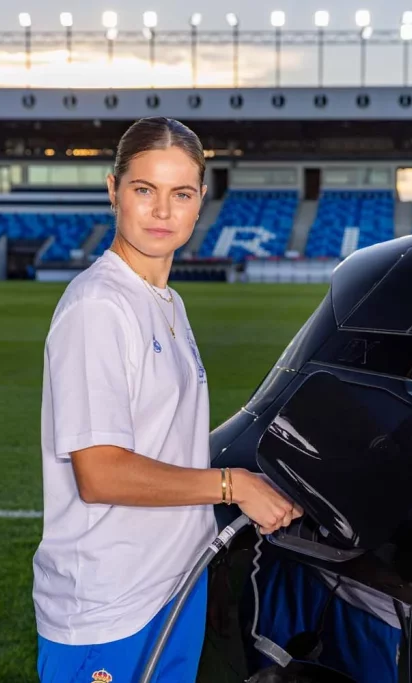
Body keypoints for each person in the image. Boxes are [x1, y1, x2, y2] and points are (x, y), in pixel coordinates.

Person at [33, 116, 302, 683]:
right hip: (108, 605)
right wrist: (234, 485)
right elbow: (100, 474)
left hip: (172, 585)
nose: (162, 211)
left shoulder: (166, 301)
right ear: (113, 190)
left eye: (180, 193)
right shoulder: (98, 308)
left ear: (200, 200)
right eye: (143, 190)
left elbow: (166, 439)